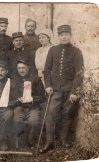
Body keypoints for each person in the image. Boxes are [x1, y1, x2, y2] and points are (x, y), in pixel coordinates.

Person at [40, 25, 84, 153]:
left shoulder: (77, 51)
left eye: (66, 34)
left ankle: (64, 141)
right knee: (51, 114)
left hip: (70, 90)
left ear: (70, 35)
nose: (64, 36)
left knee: (67, 114)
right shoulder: (53, 50)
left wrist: (75, 91)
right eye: (61, 35)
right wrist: (48, 85)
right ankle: (50, 142)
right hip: (55, 90)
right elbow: (46, 70)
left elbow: (79, 73)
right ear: (58, 37)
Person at [11, 58, 45, 150]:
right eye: (19, 68)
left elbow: (42, 97)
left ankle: (32, 143)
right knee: (17, 121)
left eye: (23, 68)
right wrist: (18, 100)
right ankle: (21, 145)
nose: (21, 70)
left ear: (28, 68)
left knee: (34, 121)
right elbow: (10, 98)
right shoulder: (14, 80)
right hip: (19, 107)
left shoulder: (35, 78)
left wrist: (33, 98)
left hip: (33, 106)